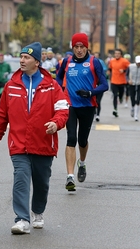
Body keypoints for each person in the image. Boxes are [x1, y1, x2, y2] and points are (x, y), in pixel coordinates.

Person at [0, 42, 69, 234]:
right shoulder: (11, 85)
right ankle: (22, 219)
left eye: (26, 57)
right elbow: (2, 115)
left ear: (37, 61)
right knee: (21, 178)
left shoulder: (51, 85)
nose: (22, 61)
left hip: (43, 143)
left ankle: (38, 212)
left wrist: (55, 124)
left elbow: (63, 110)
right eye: (21, 57)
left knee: (42, 182)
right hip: (19, 143)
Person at [56, 33, 108, 191]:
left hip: (88, 105)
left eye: (82, 47)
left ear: (87, 47)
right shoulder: (66, 61)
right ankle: (70, 177)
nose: (79, 50)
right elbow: (58, 78)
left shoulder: (94, 62)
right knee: (70, 138)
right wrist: (59, 91)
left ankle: (82, 163)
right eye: (76, 47)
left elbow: (105, 85)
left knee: (82, 140)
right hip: (70, 104)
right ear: (72, 48)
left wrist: (91, 93)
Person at [108, 49, 130, 117]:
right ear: (114, 54)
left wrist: (124, 70)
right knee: (115, 95)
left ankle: (121, 98)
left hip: (122, 82)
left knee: (121, 94)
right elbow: (110, 68)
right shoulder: (112, 61)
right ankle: (115, 109)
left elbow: (130, 68)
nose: (117, 54)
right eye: (116, 53)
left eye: (118, 53)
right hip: (113, 81)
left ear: (121, 54)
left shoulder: (124, 61)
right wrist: (108, 73)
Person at [127, 55, 140, 121]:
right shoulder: (130, 66)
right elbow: (126, 75)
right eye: (138, 63)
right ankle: (132, 108)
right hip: (132, 84)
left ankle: (136, 115)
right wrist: (128, 80)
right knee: (132, 98)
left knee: (138, 99)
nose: (139, 64)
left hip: (139, 84)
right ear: (135, 62)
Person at [93, 52, 108, 122]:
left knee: (98, 101)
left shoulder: (101, 62)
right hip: (93, 85)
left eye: (97, 56)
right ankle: (94, 113)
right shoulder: (91, 62)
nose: (96, 57)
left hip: (100, 84)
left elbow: (105, 70)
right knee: (94, 100)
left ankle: (98, 115)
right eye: (94, 55)